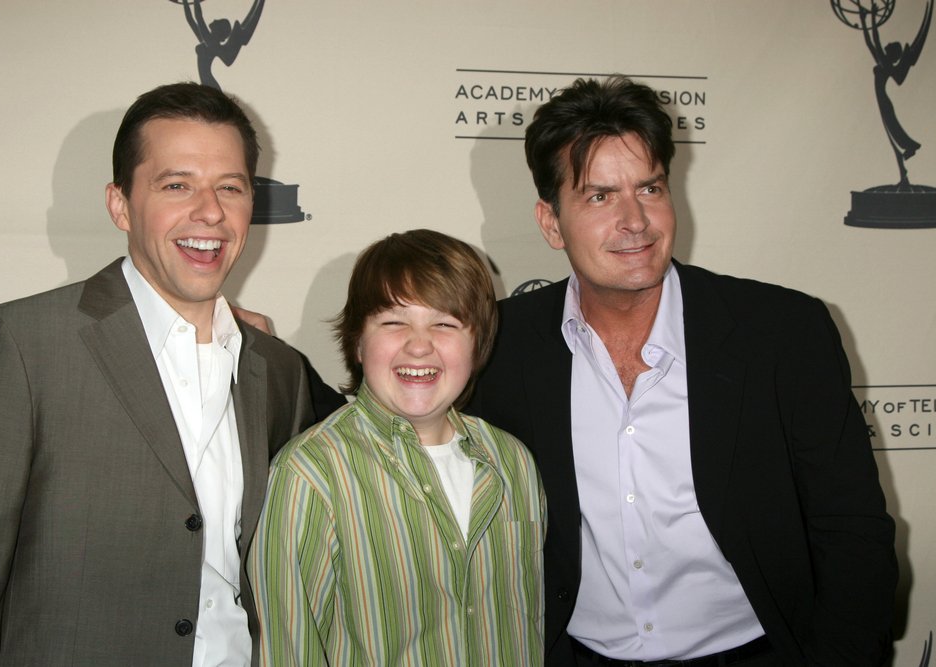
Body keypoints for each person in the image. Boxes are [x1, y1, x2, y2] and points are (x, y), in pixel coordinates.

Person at [467, 76, 898, 666]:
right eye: (599, 196)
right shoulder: (499, 343)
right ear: (550, 222)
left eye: (650, 188)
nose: (635, 220)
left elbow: (852, 532)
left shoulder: (782, 333)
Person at [0, 81, 342, 666]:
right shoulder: (21, 346)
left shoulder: (276, 370)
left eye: (230, 187)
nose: (210, 211)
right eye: (177, 185)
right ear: (120, 204)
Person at [247, 229, 547, 666]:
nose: (420, 344)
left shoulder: (513, 462)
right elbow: (287, 650)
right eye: (393, 322)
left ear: (478, 343)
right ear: (357, 341)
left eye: (445, 323)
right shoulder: (310, 475)